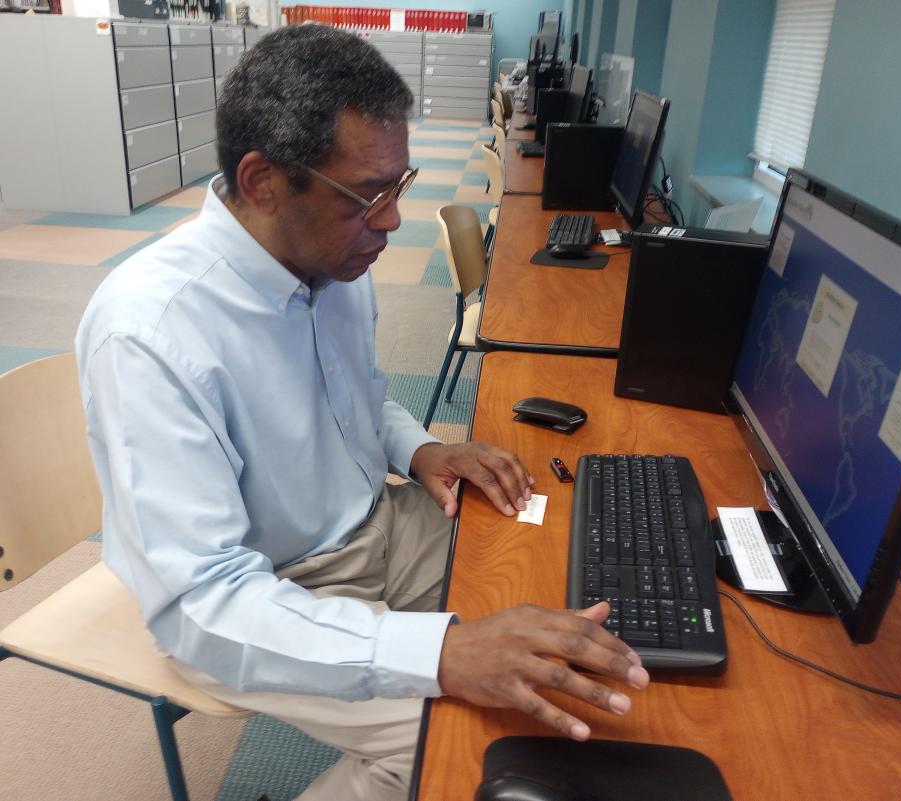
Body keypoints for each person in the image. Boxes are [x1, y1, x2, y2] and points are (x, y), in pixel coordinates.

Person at [75, 24, 649, 801]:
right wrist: (444, 653)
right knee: (473, 743)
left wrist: (419, 450)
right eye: (367, 195)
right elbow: (202, 604)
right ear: (263, 180)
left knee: (545, 546)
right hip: (265, 592)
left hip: (376, 519)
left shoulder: (335, 259)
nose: (390, 222)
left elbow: (365, 398)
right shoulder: (150, 331)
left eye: (398, 185)